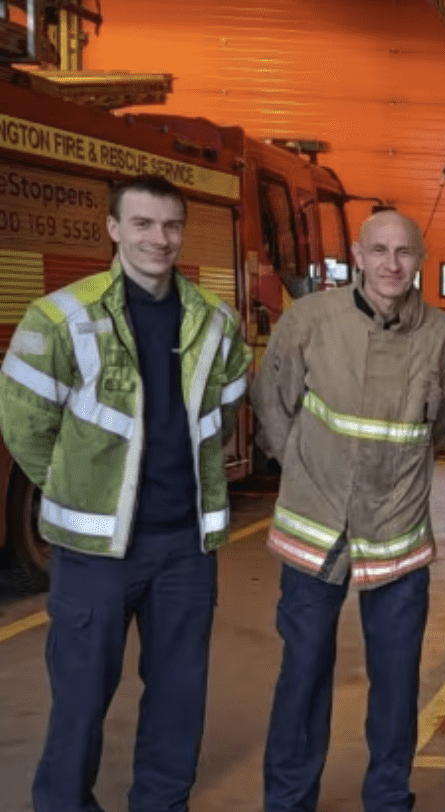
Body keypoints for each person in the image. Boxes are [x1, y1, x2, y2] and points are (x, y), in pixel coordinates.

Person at [0, 173, 250, 812]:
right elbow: (25, 424)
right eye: (142, 224)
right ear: (113, 229)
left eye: (170, 226)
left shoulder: (213, 319)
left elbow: (223, 405)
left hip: (184, 547)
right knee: (80, 700)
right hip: (95, 552)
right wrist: (79, 488)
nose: (158, 239)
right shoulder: (61, 315)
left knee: (178, 699)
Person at [252, 208, 445, 812]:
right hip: (314, 524)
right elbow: (274, 400)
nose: (391, 265)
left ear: (420, 258)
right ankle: (289, 802)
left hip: (397, 531)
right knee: (303, 676)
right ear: (357, 254)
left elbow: (442, 422)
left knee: (396, 686)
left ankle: (389, 799)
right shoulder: (311, 320)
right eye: (379, 251)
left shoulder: (442, 336)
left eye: (404, 252)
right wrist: (299, 464)